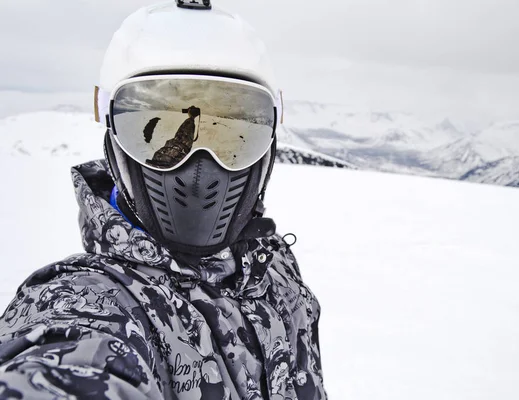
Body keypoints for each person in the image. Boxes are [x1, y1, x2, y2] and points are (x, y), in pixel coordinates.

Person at [0, 2, 326, 399]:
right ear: (113, 137)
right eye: (148, 133)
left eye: (234, 134)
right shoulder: (89, 300)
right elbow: (70, 365)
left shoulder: (275, 273)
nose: (201, 171)